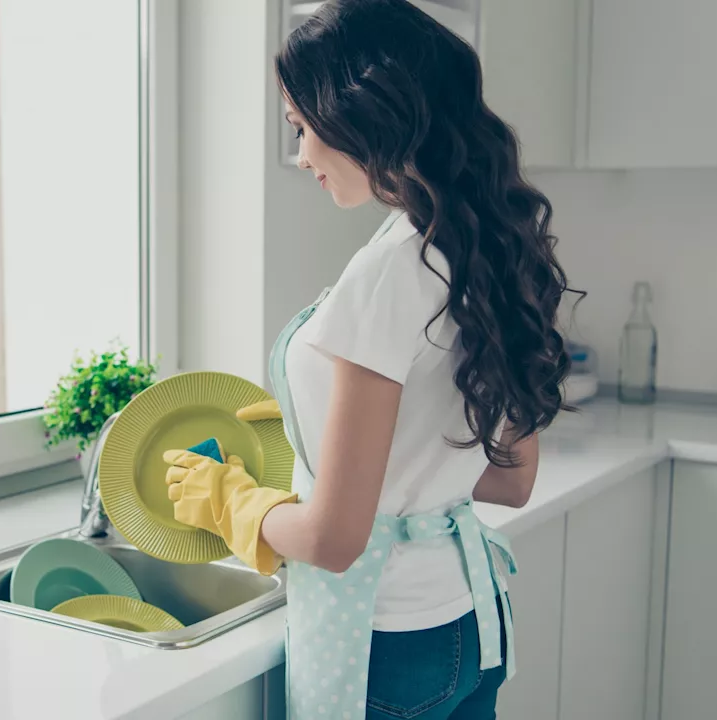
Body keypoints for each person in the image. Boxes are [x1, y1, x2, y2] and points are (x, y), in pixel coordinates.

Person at [162, 1, 581, 718]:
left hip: (384, 646)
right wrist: (339, 439)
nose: (300, 156)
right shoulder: (481, 249)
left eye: (302, 127)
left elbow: (333, 540)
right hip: (469, 625)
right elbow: (511, 482)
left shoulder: (390, 270)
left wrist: (233, 501)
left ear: (362, 111)